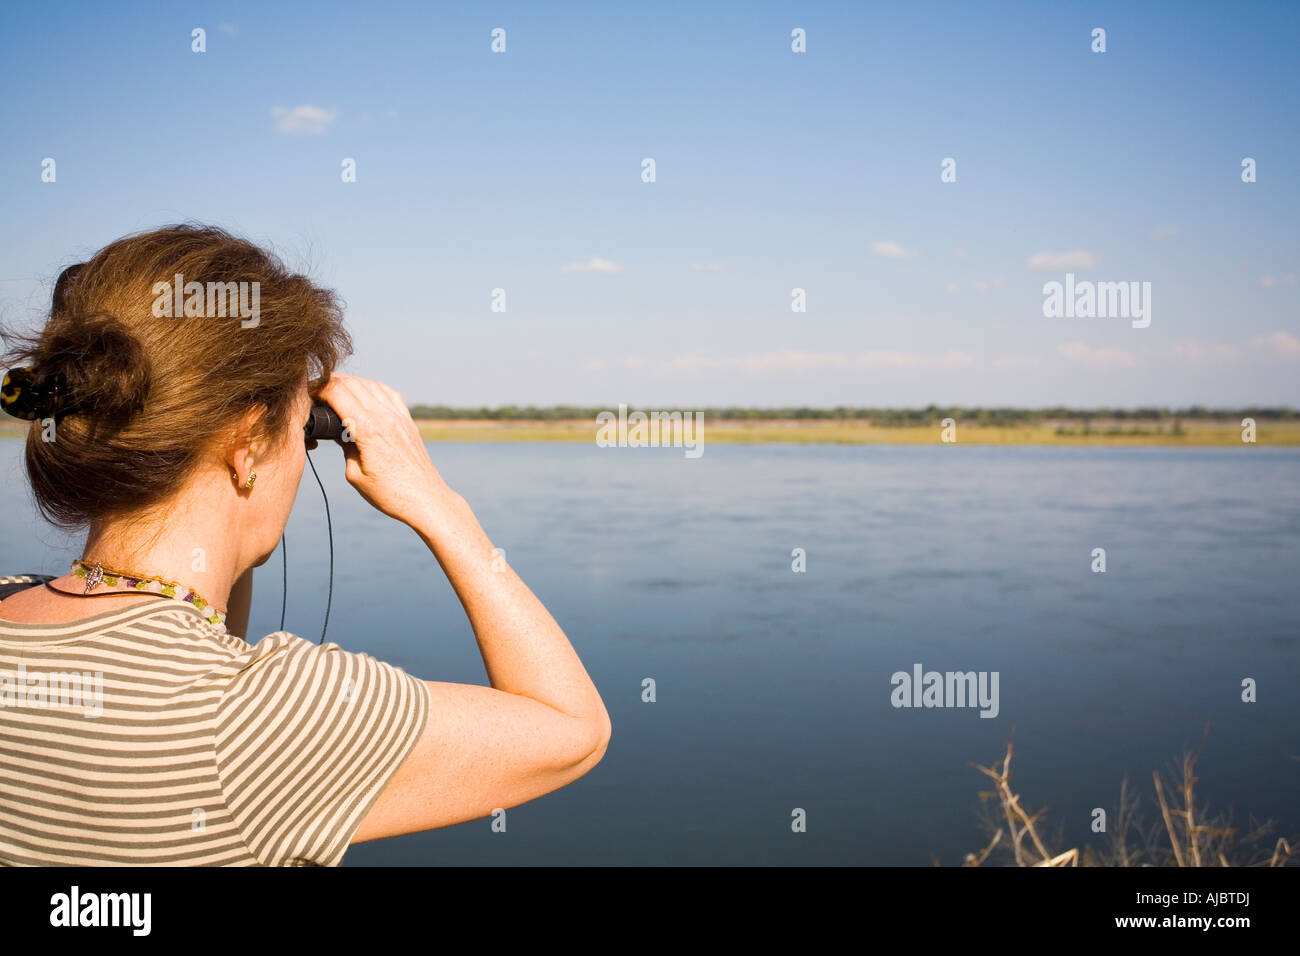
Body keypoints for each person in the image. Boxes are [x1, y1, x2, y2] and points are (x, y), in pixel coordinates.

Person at [0, 224, 611, 866]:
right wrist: (438, 502)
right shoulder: (264, 719)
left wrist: (245, 483)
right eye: (300, 428)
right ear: (247, 442)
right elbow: (573, 731)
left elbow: (194, 632)